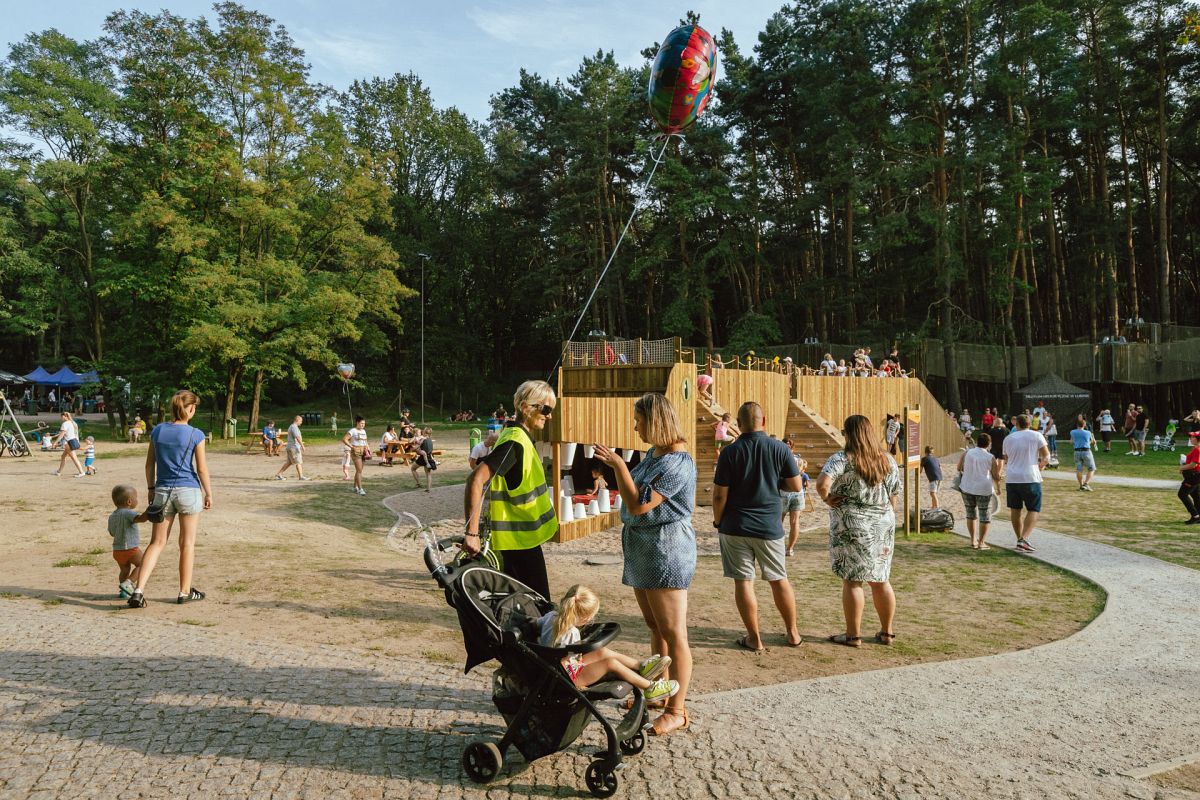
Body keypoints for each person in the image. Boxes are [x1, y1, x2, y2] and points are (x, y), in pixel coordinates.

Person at [594, 392, 696, 737]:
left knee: (675, 633)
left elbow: (638, 504)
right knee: (656, 628)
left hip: (667, 551)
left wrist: (619, 465)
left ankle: (677, 710)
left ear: (655, 421)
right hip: (644, 551)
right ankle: (659, 691)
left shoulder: (677, 463)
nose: (635, 427)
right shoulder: (655, 454)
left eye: (639, 421)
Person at [712, 401, 803, 653]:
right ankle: (793, 633)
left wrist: (718, 521)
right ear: (764, 421)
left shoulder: (729, 452)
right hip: (769, 526)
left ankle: (754, 638)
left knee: (743, 582)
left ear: (739, 424)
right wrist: (775, 483)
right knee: (779, 579)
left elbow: (719, 495)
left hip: (735, 525)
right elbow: (796, 486)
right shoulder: (780, 448)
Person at [464, 380, 558, 600]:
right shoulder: (515, 442)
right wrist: (472, 534)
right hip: (518, 544)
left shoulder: (516, 436)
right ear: (526, 407)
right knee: (539, 606)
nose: (550, 416)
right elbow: (475, 479)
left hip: (523, 540)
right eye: (546, 410)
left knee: (527, 605)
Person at [815, 414, 901, 647]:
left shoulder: (842, 458)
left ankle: (853, 635)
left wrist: (827, 498)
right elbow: (894, 495)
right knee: (881, 579)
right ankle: (887, 632)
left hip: (852, 524)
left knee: (853, 580)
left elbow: (822, 484)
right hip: (882, 523)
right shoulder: (888, 460)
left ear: (849, 434)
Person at [127, 389, 212, 608]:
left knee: (156, 543)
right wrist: (209, 492)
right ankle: (184, 591)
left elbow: (149, 464)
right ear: (190, 409)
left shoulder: (158, 431)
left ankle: (138, 590)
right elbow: (201, 469)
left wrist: (151, 488)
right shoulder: (196, 434)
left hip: (162, 491)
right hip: (189, 491)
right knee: (187, 543)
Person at [538, 585, 679, 702]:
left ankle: (641, 666)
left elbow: (536, 625)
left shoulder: (551, 616)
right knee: (610, 663)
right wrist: (583, 664)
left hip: (552, 666)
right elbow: (567, 662)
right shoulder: (571, 632)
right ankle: (650, 688)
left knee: (602, 652)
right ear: (585, 618)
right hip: (566, 677)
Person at [1002, 414, 1049, 553]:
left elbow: (1006, 457)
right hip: (1030, 477)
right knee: (1033, 509)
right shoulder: (1036, 435)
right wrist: (1041, 465)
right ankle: (1024, 539)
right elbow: (1046, 456)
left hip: (1012, 477)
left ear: (1016, 424)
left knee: (1015, 510)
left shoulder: (1008, 438)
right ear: (1030, 424)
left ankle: (1020, 539)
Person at [957, 433, 1002, 549]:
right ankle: (981, 542)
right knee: (985, 515)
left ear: (977, 442)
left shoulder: (967, 453)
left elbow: (958, 468)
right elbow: (996, 476)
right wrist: (998, 487)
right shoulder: (990, 457)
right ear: (989, 444)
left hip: (967, 486)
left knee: (970, 514)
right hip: (983, 488)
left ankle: (973, 540)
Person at [109, 484, 148, 599]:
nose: (137, 500)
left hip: (117, 550)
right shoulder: (128, 513)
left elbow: (111, 533)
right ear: (129, 501)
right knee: (143, 564)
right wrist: (150, 511)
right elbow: (141, 519)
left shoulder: (112, 516)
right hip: (130, 548)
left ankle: (124, 592)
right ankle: (128, 583)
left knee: (124, 570)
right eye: (136, 497)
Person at [780, 438, 806, 557]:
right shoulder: (799, 460)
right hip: (797, 491)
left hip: (783, 491)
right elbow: (800, 473)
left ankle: (779, 547)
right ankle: (789, 549)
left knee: (778, 522)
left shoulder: (779, 458)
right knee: (795, 522)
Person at [273, 415, 309, 481]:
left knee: (289, 462)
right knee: (298, 462)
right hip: (294, 447)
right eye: (301, 421)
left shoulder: (292, 426)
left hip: (291, 447)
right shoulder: (294, 427)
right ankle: (301, 477)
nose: (301, 422)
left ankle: (279, 474)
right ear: (297, 420)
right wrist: (302, 445)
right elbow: (297, 437)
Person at [50, 411, 85, 478]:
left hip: (69, 442)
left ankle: (81, 472)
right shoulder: (72, 422)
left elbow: (62, 434)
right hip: (72, 441)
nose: (61, 418)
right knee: (63, 456)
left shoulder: (65, 424)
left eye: (62, 417)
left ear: (65, 416)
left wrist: (55, 442)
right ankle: (59, 472)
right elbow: (75, 433)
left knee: (74, 457)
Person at [1178, 431, 1200, 524]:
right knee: (1196, 496)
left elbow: (1193, 465)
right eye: (1190, 437)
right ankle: (1198, 516)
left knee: (1182, 494)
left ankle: (1195, 515)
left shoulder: (1197, 449)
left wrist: (1182, 468)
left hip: (1193, 476)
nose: (1190, 438)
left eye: (1193, 437)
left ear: (1198, 439)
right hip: (1195, 475)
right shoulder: (1195, 448)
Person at [343, 416, 369, 495]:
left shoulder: (364, 431)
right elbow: (344, 439)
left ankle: (355, 487)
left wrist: (367, 448)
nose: (363, 425)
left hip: (363, 451)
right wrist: (352, 447)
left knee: (359, 470)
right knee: (359, 470)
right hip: (356, 451)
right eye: (361, 423)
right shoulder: (353, 430)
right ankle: (360, 489)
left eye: (364, 423)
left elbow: (365, 441)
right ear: (357, 423)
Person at [1070, 418, 1097, 491]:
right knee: (1092, 468)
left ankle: (1081, 485)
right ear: (1084, 425)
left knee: (1079, 469)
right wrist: (1093, 442)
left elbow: (1071, 441)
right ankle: (1086, 484)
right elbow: (1091, 442)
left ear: (1077, 425)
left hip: (1077, 452)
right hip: (1086, 451)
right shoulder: (1088, 433)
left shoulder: (1072, 432)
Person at [410, 427, 436, 493]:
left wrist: (412, 449)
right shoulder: (430, 440)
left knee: (413, 468)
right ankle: (428, 489)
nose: (422, 432)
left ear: (425, 433)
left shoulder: (423, 439)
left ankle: (418, 483)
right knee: (428, 474)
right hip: (430, 457)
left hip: (423, 458)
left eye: (423, 431)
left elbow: (415, 448)